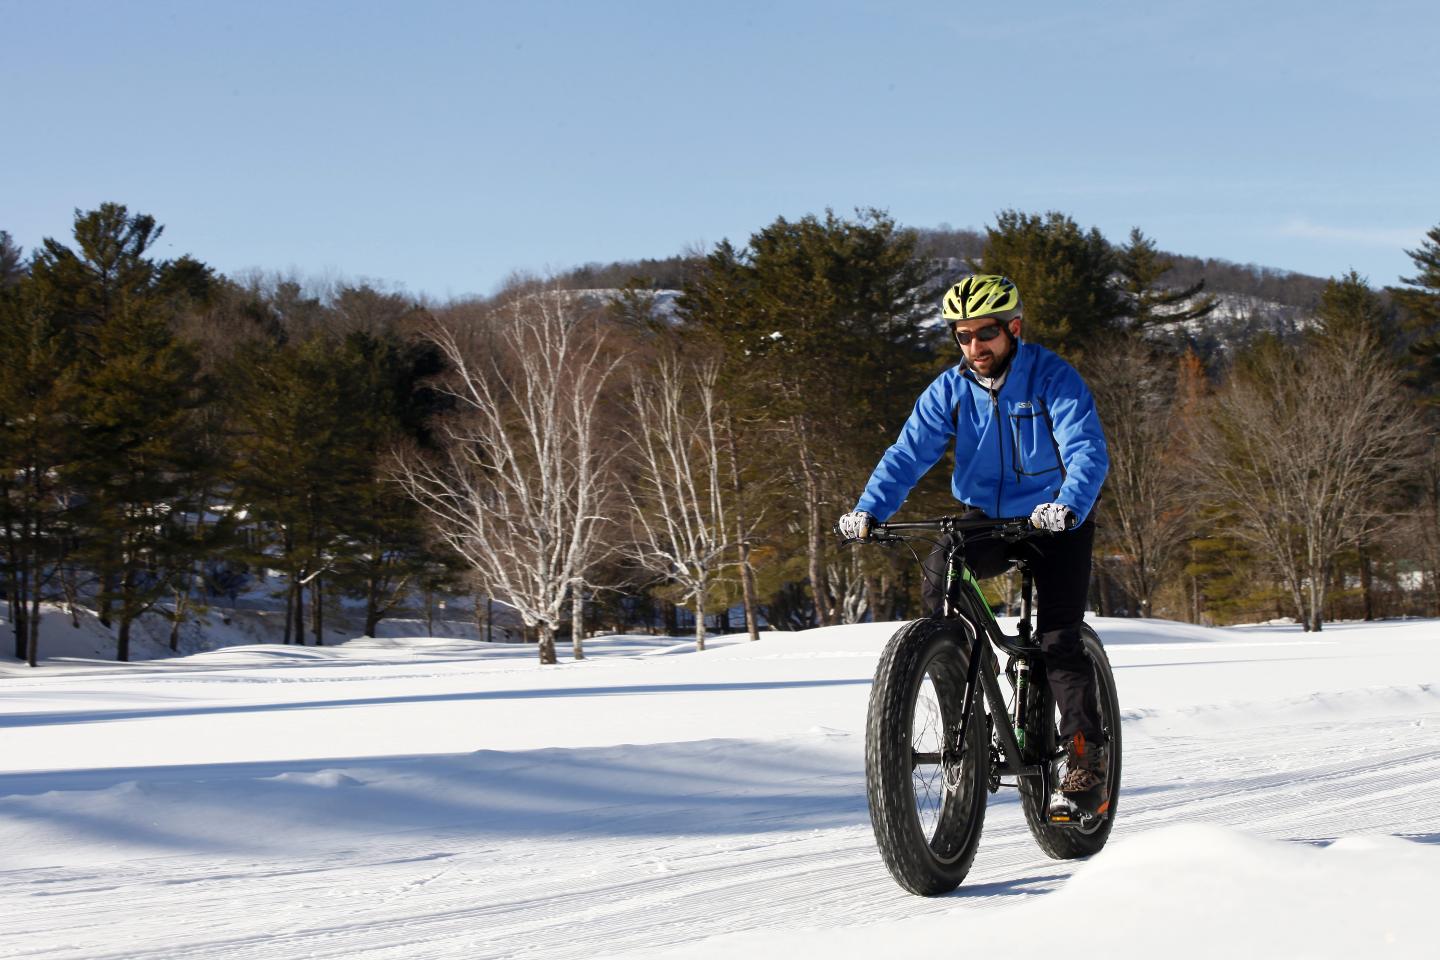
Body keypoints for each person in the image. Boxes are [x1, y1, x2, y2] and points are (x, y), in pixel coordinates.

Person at [837, 274, 1111, 812]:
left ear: (1013, 328)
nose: (973, 347)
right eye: (962, 336)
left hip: (1056, 519)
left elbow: (1086, 449)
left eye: (984, 334)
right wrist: (870, 509)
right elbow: (908, 452)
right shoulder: (950, 389)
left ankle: (1084, 762)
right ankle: (954, 688)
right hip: (985, 518)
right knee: (942, 568)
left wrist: (1068, 505)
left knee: (1059, 641)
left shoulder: (1052, 377)